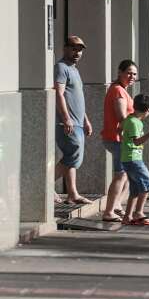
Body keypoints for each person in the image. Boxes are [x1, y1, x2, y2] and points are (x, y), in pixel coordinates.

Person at [54, 35, 93, 205]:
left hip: (77, 122)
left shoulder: (74, 70)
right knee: (74, 153)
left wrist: (86, 120)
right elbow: (59, 93)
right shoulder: (61, 67)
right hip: (67, 122)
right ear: (65, 48)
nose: (77, 52)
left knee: (73, 158)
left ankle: (72, 194)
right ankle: (45, 185)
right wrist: (66, 118)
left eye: (80, 49)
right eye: (73, 48)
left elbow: (77, 97)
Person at [101, 60, 138, 222]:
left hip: (119, 139)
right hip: (117, 139)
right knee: (120, 175)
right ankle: (108, 211)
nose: (132, 76)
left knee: (127, 175)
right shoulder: (118, 91)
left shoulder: (120, 89)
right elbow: (122, 117)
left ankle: (116, 206)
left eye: (135, 74)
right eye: (129, 72)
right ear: (120, 72)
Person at [121, 94, 149, 226]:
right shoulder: (134, 122)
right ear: (148, 109)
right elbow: (136, 141)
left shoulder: (129, 120)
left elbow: (120, 130)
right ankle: (139, 212)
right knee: (148, 183)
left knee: (135, 189)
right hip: (133, 159)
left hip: (128, 158)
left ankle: (127, 217)